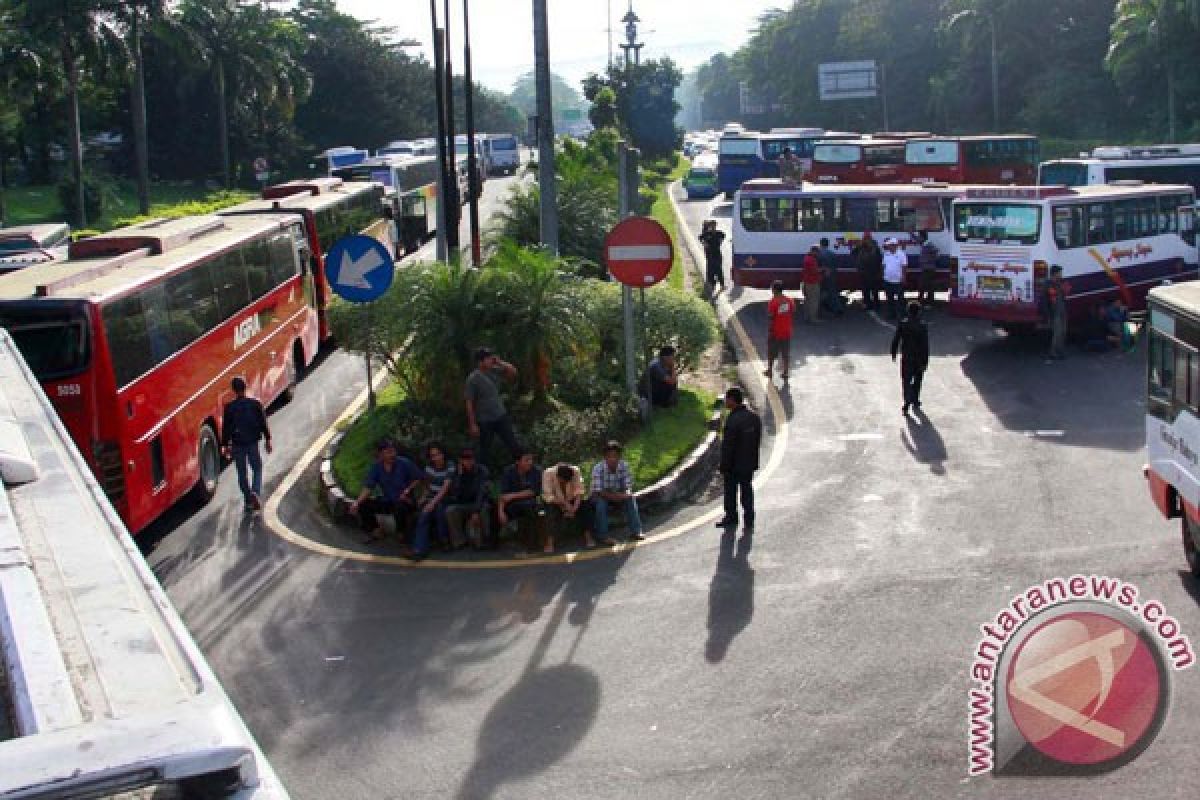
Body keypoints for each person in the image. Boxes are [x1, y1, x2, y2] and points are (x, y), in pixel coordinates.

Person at [347, 438, 422, 547]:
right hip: (389, 500)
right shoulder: (377, 467)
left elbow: (418, 478)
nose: (392, 455)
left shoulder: (404, 463)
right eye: (388, 452)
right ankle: (376, 531)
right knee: (364, 504)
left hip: (405, 501)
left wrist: (408, 489)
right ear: (381, 454)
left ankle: (402, 534)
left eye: (393, 451)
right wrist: (357, 502)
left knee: (400, 508)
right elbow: (368, 487)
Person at [220, 375, 272, 513]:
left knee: (242, 474)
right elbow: (263, 423)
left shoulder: (229, 408)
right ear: (246, 386)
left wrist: (224, 445)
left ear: (233, 390)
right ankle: (255, 491)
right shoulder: (255, 404)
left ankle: (248, 499)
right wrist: (268, 439)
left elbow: (225, 428)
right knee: (257, 468)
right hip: (252, 442)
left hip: (237, 445)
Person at [716, 387, 762, 530]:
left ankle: (731, 517)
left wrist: (724, 465)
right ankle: (749, 520)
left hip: (733, 465)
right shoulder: (754, 417)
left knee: (730, 492)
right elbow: (757, 440)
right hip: (749, 462)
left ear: (732, 400)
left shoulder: (732, 420)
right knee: (747, 491)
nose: (725, 401)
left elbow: (728, 446)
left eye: (726, 399)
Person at [466, 347, 521, 464]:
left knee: (513, 444)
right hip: (484, 420)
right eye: (488, 359)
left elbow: (513, 372)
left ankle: (523, 468)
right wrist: (472, 424)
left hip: (500, 415)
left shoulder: (495, 371)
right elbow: (469, 402)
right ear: (480, 362)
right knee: (484, 451)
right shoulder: (473, 379)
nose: (491, 360)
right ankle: (484, 477)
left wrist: (500, 362)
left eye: (491, 358)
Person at [589, 441, 645, 543]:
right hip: (600, 495)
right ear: (605, 457)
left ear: (619, 456)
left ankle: (636, 531)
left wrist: (626, 494)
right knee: (601, 505)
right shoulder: (598, 469)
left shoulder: (624, 466)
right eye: (609, 456)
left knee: (630, 499)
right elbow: (599, 491)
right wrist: (616, 496)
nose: (612, 459)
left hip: (618, 493)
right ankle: (603, 536)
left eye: (615, 456)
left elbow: (627, 486)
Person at [542, 462, 604, 553]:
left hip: (572, 500)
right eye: (563, 481)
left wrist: (574, 508)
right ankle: (549, 543)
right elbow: (548, 496)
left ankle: (588, 537)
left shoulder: (575, 471)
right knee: (550, 512)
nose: (565, 483)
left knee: (586, 507)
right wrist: (565, 504)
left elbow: (579, 491)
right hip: (555, 501)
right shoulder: (548, 473)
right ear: (558, 477)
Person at [413, 443, 456, 555]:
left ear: (443, 454)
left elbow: (445, 488)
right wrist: (423, 498)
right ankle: (419, 549)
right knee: (424, 515)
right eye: (433, 455)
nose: (436, 458)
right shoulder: (429, 467)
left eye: (438, 454)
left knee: (439, 510)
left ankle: (444, 540)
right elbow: (428, 486)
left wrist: (432, 503)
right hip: (432, 497)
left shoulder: (450, 465)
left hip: (446, 497)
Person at [444, 446, 491, 549]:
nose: (468, 461)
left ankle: (485, 539)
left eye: (470, 458)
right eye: (465, 458)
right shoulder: (457, 472)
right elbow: (455, 494)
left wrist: (475, 511)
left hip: (478, 503)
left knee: (484, 509)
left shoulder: (482, 470)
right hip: (463, 503)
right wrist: (459, 477)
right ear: (460, 460)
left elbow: (482, 492)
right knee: (450, 510)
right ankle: (459, 541)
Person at [497, 448, 542, 552]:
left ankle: (532, 545)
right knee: (493, 509)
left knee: (530, 509)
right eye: (526, 460)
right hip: (512, 504)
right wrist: (501, 511)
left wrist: (513, 495)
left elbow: (533, 491)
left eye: (531, 459)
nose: (530, 462)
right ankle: (494, 543)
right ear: (517, 462)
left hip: (529, 502)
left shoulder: (536, 471)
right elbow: (503, 494)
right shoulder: (508, 472)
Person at [890, 301, 930, 415]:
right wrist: (925, 361)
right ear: (919, 312)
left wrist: (893, 352)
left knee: (906, 380)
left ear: (908, 311)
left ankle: (907, 402)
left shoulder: (903, 324)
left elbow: (896, 339)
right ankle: (915, 400)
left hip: (907, 357)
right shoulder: (922, 326)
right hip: (919, 358)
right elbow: (925, 345)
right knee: (917, 380)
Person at [764, 280, 794, 382]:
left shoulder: (773, 302)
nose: (771, 290)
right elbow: (792, 311)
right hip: (787, 331)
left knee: (771, 352)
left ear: (775, 290)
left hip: (776, 332)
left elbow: (771, 317)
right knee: (785, 353)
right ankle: (785, 372)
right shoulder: (789, 300)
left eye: (772, 288)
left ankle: (770, 370)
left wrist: (770, 330)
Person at [1042, 265, 1070, 360]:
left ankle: (1060, 350)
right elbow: (1045, 300)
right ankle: (1053, 352)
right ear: (1055, 274)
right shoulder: (1048, 284)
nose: (1061, 274)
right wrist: (1047, 314)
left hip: (1062, 310)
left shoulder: (1060, 283)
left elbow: (1065, 293)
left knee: (1063, 331)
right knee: (1057, 333)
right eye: (1060, 272)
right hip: (1054, 312)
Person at [854, 232, 882, 311]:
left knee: (874, 290)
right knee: (866, 290)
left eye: (867, 238)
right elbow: (853, 253)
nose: (866, 240)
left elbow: (879, 260)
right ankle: (867, 304)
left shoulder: (875, 248)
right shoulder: (860, 247)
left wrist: (879, 272)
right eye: (865, 238)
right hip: (864, 272)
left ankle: (876, 305)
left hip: (873, 272)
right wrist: (858, 246)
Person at [881, 237, 907, 320]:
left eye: (891, 245)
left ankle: (901, 314)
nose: (889, 247)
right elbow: (884, 265)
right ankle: (891, 314)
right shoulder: (886, 254)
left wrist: (903, 277)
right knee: (889, 299)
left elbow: (904, 266)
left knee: (900, 299)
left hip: (898, 280)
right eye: (888, 245)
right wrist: (883, 275)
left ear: (895, 245)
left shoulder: (901, 254)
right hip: (887, 280)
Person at [818, 237, 843, 316]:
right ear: (828, 244)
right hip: (832, 274)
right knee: (832, 292)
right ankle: (837, 308)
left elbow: (818, 265)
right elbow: (836, 265)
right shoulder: (832, 253)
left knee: (819, 292)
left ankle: (819, 310)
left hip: (822, 275)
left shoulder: (819, 254)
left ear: (821, 244)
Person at [699, 220, 726, 292]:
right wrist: (704, 243)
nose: (713, 227)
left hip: (717, 254)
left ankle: (722, 285)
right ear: (710, 226)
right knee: (711, 270)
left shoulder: (719, 233)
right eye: (712, 226)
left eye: (714, 226)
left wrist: (721, 240)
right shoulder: (707, 234)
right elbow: (700, 238)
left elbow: (723, 235)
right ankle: (712, 284)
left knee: (719, 270)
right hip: (710, 254)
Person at [916, 231, 939, 306]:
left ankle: (926, 303)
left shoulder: (929, 245)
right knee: (926, 286)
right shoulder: (923, 244)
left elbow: (937, 253)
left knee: (925, 286)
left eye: (919, 236)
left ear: (922, 237)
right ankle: (926, 302)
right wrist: (910, 233)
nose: (918, 238)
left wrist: (929, 260)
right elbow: (916, 239)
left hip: (929, 269)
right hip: (926, 269)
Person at [802, 245, 821, 324]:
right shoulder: (811, 259)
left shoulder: (807, 258)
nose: (818, 254)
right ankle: (813, 318)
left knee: (808, 300)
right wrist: (823, 270)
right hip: (812, 282)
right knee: (814, 301)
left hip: (807, 281)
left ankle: (807, 317)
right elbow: (814, 271)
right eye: (817, 252)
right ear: (814, 251)